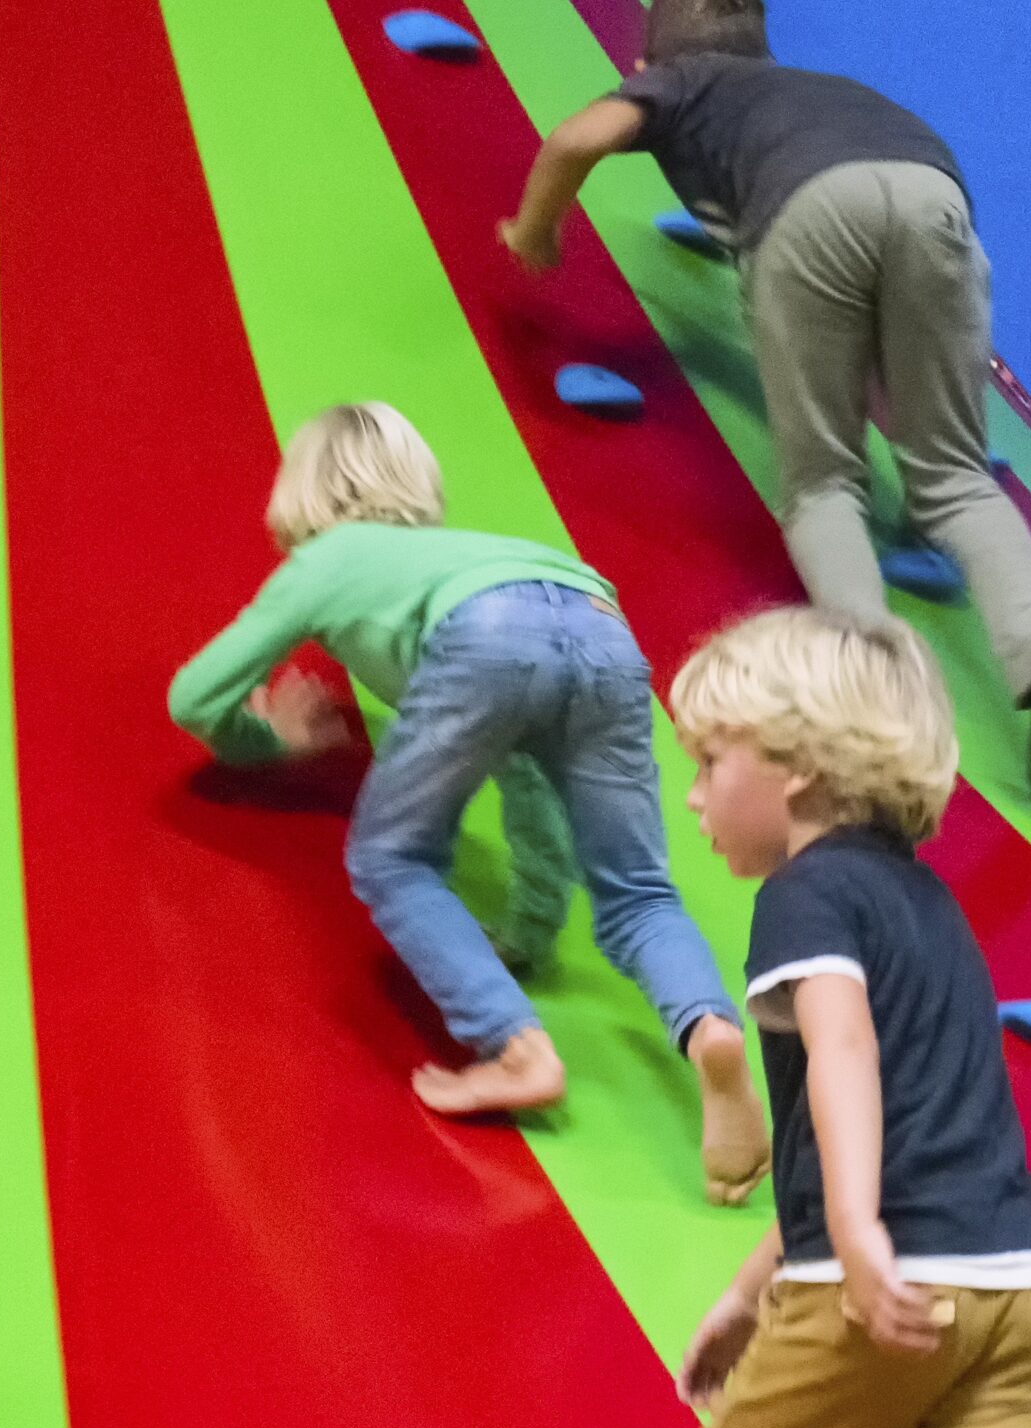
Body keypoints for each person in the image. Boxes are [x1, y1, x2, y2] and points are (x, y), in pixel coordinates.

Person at [498, 0, 1031, 792]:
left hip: (804, 210)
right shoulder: (816, 88)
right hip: (933, 195)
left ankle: (872, 688)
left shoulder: (679, 81)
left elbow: (575, 139)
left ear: (646, 66)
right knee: (955, 475)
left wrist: (537, 230)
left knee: (823, 486)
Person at [168, 402, 768, 1204]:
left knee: (393, 856)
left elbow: (196, 696)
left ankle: (517, 1047)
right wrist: (526, 931)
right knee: (636, 892)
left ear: (300, 494)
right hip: (594, 611)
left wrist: (275, 742)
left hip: (482, 631)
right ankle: (710, 1031)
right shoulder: (464, 552)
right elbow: (527, 780)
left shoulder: (329, 559)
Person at [666, 607, 1031, 1428]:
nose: (693, 794)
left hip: (887, 1279)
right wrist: (747, 1285)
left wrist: (853, 1237)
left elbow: (841, 1051)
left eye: (712, 759)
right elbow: (894, 1120)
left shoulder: (803, 895)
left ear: (797, 768)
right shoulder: (931, 904)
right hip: (1025, 1287)